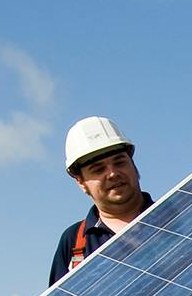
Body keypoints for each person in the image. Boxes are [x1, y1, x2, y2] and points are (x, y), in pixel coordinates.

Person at [49, 116, 153, 286]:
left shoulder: (180, 217)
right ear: (81, 182)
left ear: (133, 164)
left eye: (119, 162)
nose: (112, 174)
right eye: (98, 169)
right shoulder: (73, 241)